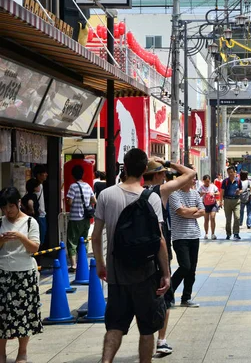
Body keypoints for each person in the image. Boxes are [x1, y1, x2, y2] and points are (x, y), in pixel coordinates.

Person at [91, 148, 170, 363]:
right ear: (145, 169)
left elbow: (96, 237)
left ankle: (106, 361)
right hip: (146, 273)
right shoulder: (151, 198)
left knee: (115, 325)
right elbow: (160, 240)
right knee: (147, 329)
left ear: (124, 167)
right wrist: (166, 273)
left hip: (117, 273)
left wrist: (100, 264)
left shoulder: (106, 195)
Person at [142, 158, 196, 356]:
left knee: (138, 297)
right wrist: (169, 162)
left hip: (132, 255)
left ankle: (144, 338)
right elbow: (190, 173)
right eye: (163, 173)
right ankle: (161, 340)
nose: (165, 176)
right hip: (157, 252)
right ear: (157, 175)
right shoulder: (160, 191)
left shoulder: (129, 191)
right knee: (164, 295)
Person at [0, 187, 43, 363]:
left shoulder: (30, 222)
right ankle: (1, 353)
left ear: (18, 203)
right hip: (3, 273)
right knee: (2, 315)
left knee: (23, 315)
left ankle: (22, 352)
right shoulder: (0, 222)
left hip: (25, 273)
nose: (7, 211)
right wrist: (2, 240)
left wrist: (19, 237)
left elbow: (34, 248)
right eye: (4, 208)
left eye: (10, 206)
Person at [169, 172, 204, 308]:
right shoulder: (174, 195)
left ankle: (186, 298)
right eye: (192, 178)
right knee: (185, 266)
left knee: (192, 269)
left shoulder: (195, 193)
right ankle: (168, 293)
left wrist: (189, 211)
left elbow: (202, 211)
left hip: (194, 235)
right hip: (180, 236)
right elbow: (180, 212)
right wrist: (193, 210)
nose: (194, 180)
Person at [66, 165, 96, 272]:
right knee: (83, 241)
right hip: (86, 219)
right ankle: (82, 263)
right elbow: (94, 201)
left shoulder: (73, 186)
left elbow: (69, 202)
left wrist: (69, 199)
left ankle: (74, 265)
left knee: (72, 242)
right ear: (83, 174)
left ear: (72, 175)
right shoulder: (88, 186)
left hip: (75, 219)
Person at [220, 167, 243, 240]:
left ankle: (236, 233)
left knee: (237, 217)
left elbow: (241, 189)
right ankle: (228, 234)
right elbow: (222, 191)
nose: (230, 174)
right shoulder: (225, 181)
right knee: (228, 219)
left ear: (234, 172)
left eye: (231, 172)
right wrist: (220, 201)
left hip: (236, 201)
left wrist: (239, 191)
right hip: (227, 201)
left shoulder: (238, 181)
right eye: (228, 172)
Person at [198, 175, 220, 240]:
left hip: (213, 204)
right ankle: (206, 233)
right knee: (206, 219)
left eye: (208, 181)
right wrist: (202, 194)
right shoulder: (201, 187)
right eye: (206, 181)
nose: (207, 183)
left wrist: (213, 193)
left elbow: (218, 192)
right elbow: (197, 195)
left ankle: (213, 233)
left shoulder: (213, 186)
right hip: (205, 204)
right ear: (203, 181)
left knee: (212, 217)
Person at [32, 165, 48, 246]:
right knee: (39, 239)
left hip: (40, 215)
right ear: (38, 175)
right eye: (44, 173)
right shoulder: (36, 186)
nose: (46, 174)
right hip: (39, 216)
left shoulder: (39, 185)